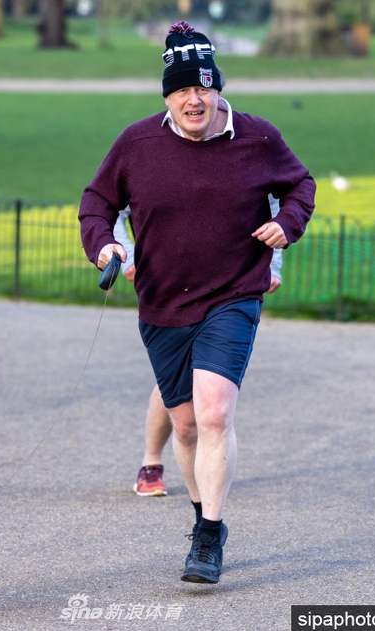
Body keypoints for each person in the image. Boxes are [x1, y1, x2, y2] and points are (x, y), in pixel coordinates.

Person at [78, 21, 315, 584]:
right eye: (183, 89)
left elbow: (300, 185)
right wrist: (105, 244)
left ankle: (208, 535)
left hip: (234, 292)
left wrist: (287, 223)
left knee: (214, 411)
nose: (195, 99)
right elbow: (95, 203)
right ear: (167, 95)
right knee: (183, 427)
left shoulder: (256, 137)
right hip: (161, 299)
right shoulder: (136, 144)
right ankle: (199, 513)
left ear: (218, 90)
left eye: (204, 88)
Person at [115, 205, 284, 498]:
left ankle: (207, 499)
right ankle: (152, 462)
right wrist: (128, 254)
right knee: (176, 385)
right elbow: (111, 207)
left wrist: (272, 266)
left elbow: (272, 208)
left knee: (208, 392)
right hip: (169, 287)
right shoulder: (153, 159)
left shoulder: (251, 159)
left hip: (229, 289)